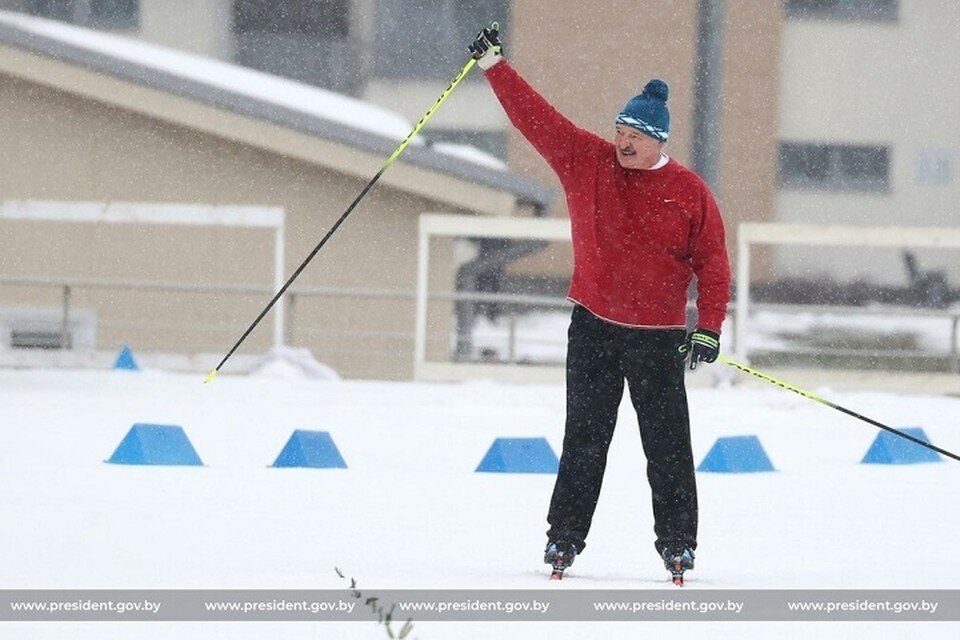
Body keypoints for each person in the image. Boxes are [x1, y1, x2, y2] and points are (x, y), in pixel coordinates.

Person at [469, 26, 731, 580]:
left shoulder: (690, 192)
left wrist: (707, 327)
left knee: (667, 448)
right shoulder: (588, 162)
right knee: (585, 441)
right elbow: (536, 118)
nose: (623, 142)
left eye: (635, 134)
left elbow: (713, 265)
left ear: (660, 140)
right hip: (592, 328)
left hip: (659, 337)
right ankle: (563, 538)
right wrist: (494, 66)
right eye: (619, 130)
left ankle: (678, 544)